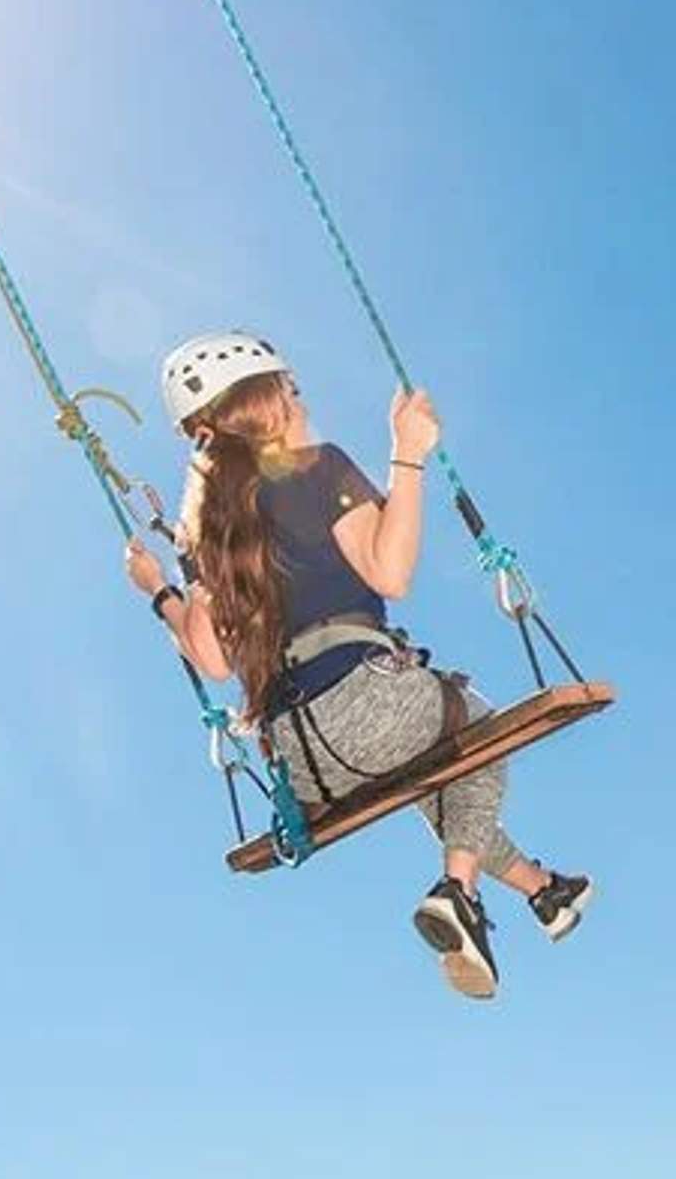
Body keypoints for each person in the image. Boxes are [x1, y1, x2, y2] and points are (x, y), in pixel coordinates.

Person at [124, 329, 591, 1000]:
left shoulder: (206, 532)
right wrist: (407, 454)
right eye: (291, 386)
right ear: (267, 400)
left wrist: (158, 590)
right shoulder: (318, 468)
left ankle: (544, 891)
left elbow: (211, 660)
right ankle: (458, 891)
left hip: (299, 762)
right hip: (369, 702)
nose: (300, 397)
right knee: (477, 728)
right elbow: (389, 571)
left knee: (443, 779)